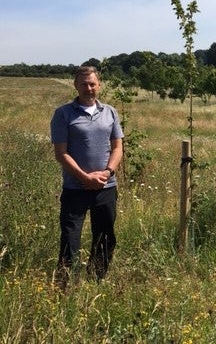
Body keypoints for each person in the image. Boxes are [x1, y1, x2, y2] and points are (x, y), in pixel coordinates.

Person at [50, 66, 124, 287]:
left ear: (99, 85)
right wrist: (85, 177)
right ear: (75, 85)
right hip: (75, 189)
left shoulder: (110, 112)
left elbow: (118, 148)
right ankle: (65, 286)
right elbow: (61, 153)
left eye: (92, 84)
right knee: (70, 240)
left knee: (105, 238)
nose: (88, 88)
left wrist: (107, 172)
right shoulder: (63, 114)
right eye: (84, 84)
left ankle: (96, 281)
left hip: (106, 187)